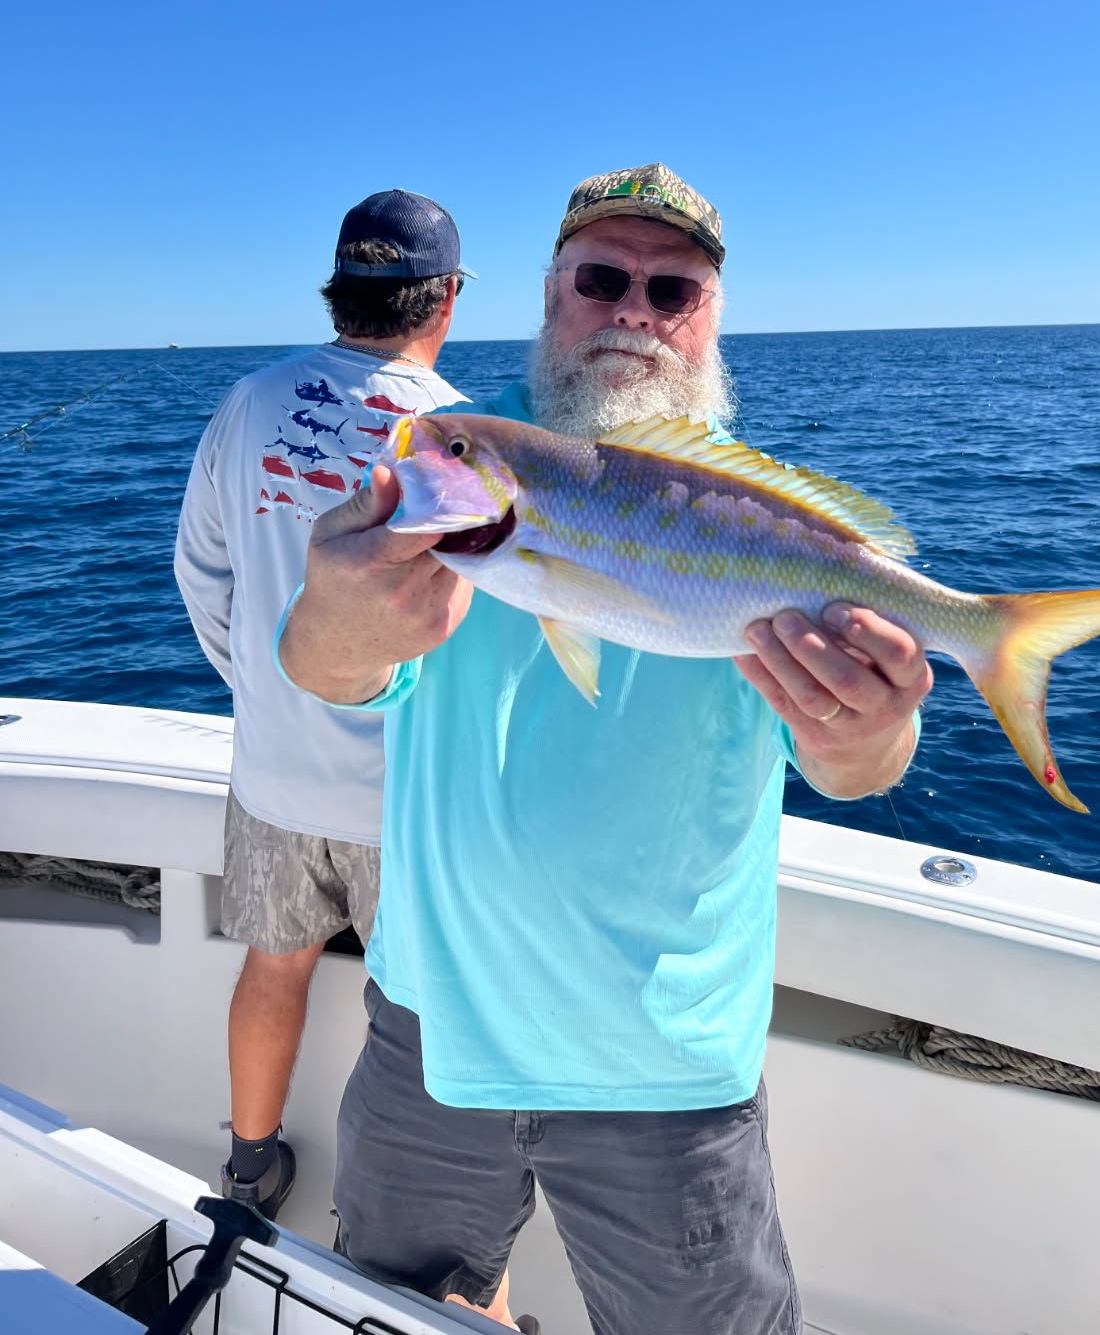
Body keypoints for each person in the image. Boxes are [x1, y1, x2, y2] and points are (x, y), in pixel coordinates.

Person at [278, 163, 933, 1333]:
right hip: (431, 1034)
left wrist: (872, 728)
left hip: (666, 1070)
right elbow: (330, 670)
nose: (633, 310)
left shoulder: (771, 521)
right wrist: (341, 613)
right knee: (399, 1315)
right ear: (548, 299)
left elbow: (851, 770)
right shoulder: (455, 462)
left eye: (671, 289)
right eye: (602, 278)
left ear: (711, 318)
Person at [174, 188, 469, 1218]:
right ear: (447, 299)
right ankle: (398, 1228)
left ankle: (249, 1169)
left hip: (273, 776)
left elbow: (201, 573)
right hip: (410, 803)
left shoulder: (249, 401)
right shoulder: (468, 436)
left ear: (339, 291)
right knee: (415, 1015)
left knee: (274, 963)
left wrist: (267, 684)